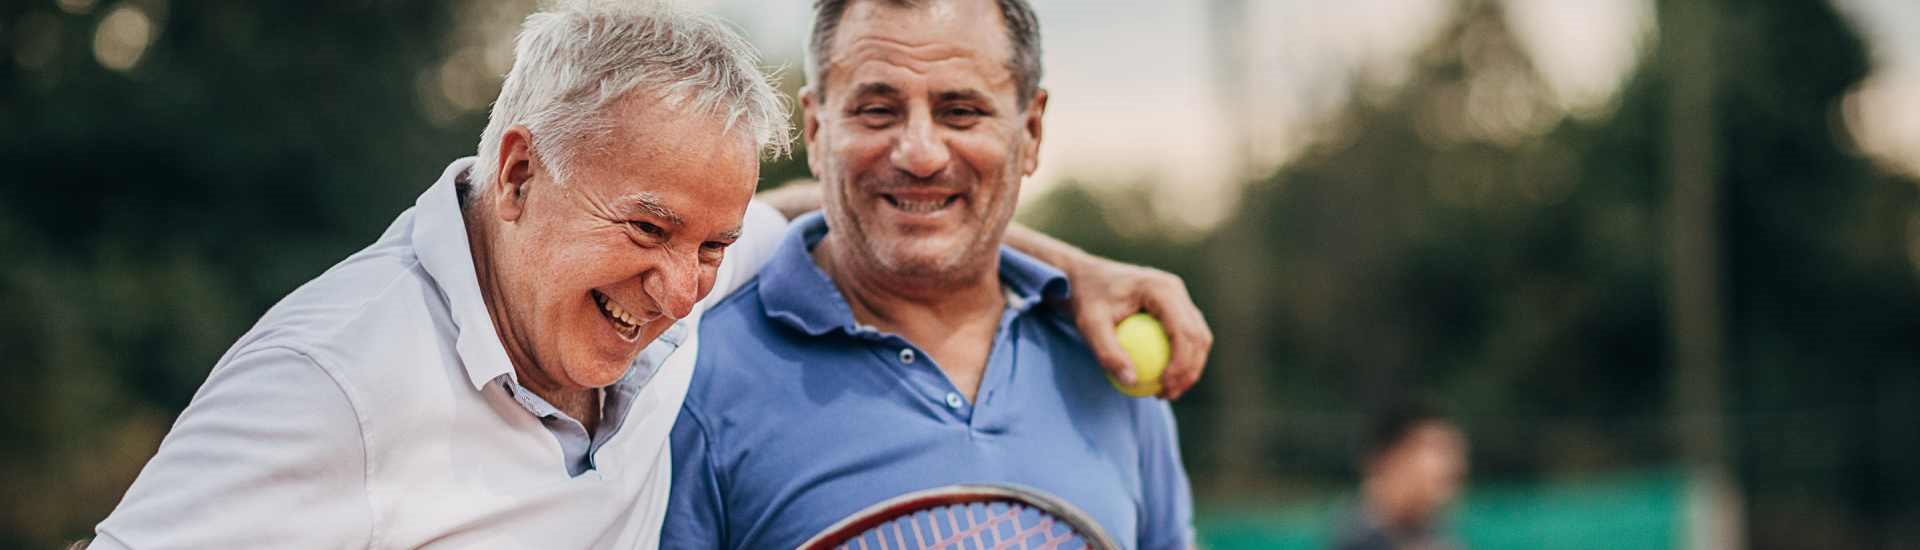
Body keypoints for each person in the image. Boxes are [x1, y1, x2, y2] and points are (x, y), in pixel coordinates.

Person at [90, 2, 1208, 548]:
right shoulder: (328, 379)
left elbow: (869, 207)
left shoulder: (661, 296)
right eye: (651, 228)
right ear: (519, 171)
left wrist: (1080, 269)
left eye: (714, 248)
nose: (684, 291)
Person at [661, 1, 1201, 547]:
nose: (919, 154)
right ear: (817, 129)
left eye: (961, 111)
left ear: (1031, 131)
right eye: (877, 110)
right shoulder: (689, 379)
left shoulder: (1107, 358)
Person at [1330, 401, 1470, 550]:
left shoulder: (1435, 535)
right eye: (1438, 451)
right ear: (1387, 457)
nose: (1453, 465)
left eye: (1456, 453)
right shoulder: (1355, 537)